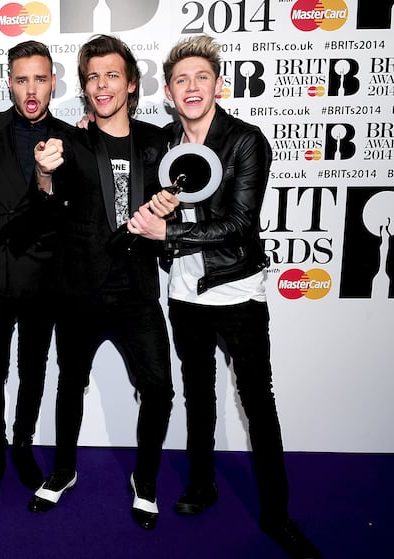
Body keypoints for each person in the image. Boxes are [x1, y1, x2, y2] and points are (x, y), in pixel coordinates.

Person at [127, 34, 321, 558]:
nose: (192, 88)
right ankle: (202, 484)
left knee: (259, 403)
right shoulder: (163, 144)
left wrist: (166, 236)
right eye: (181, 80)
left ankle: (278, 516)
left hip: (238, 291)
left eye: (201, 78)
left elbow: (239, 225)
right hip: (184, 294)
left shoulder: (245, 141)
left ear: (217, 85)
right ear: (168, 92)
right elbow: (116, 147)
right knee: (198, 396)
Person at [27, 34, 178, 531]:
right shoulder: (69, 141)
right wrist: (44, 178)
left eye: (112, 74)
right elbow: (45, 211)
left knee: (157, 389)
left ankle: (146, 479)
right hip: (78, 290)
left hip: (136, 290)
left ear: (132, 83)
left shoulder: (158, 142)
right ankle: (64, 470)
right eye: (93, 77)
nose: (101, 85)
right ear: (85, 87)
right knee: (70, 383)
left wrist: (167, 213)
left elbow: (173, 212)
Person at [0, 40, 75, 505]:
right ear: (9, 82)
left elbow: (71, 210)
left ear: (53, 82)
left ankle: (23, 444)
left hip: (43, 273)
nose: (32, 89)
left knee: (32, 368)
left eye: (41, 78)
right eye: (22, 79)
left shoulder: (73, 138)